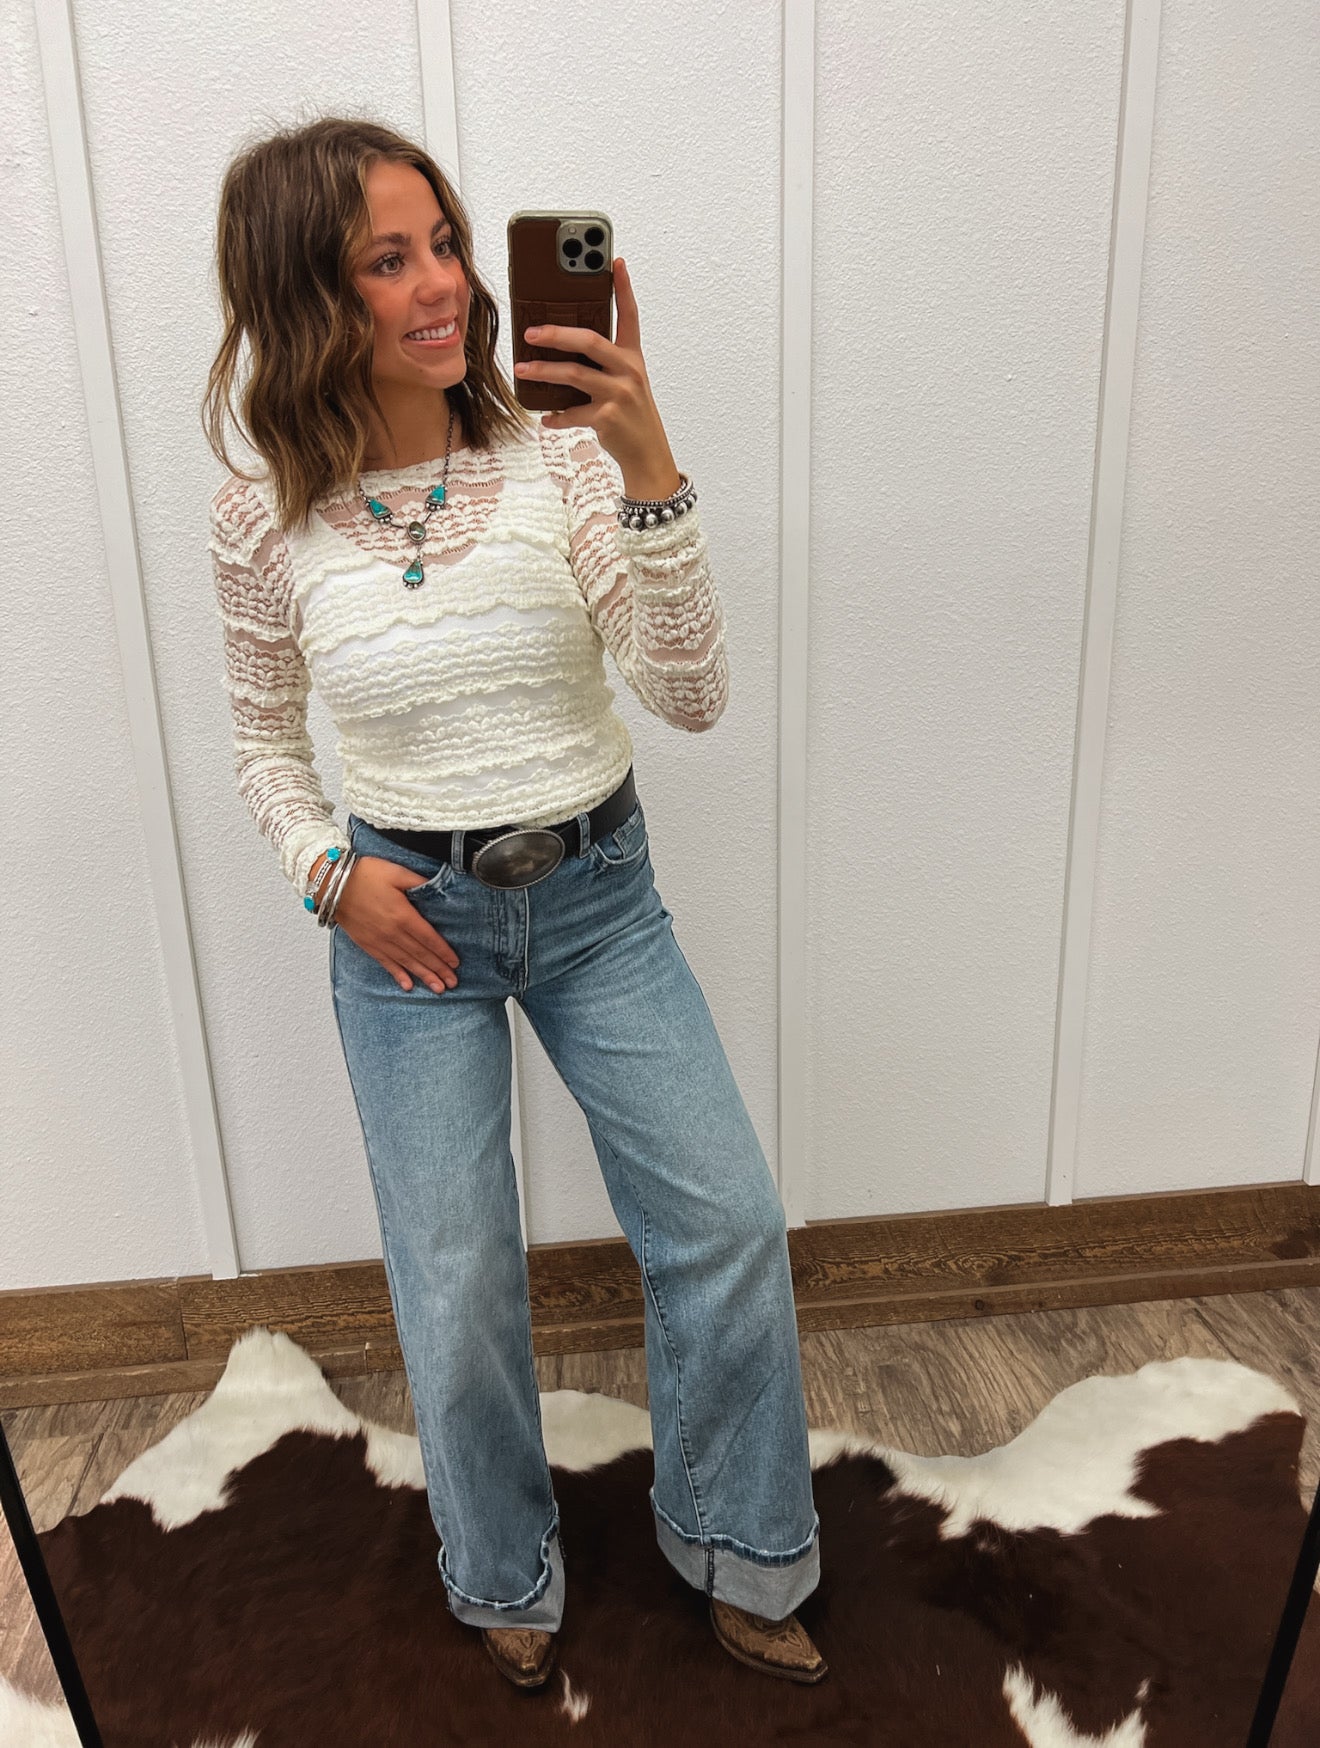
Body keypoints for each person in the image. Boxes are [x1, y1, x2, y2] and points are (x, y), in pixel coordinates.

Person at [203, 115, 827, 1692]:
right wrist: (330, 877)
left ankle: (740, 1542)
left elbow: (690, 696)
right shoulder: (259, 520)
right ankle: (501, 1566)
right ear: (303, 299)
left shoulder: (561, 458)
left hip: (600, 898)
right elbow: (265, 744)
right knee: (459, 1274)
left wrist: (648, 464)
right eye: (388, 260)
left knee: (728, 1224)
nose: (447, 286)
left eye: (448, 244)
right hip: (408, 926)